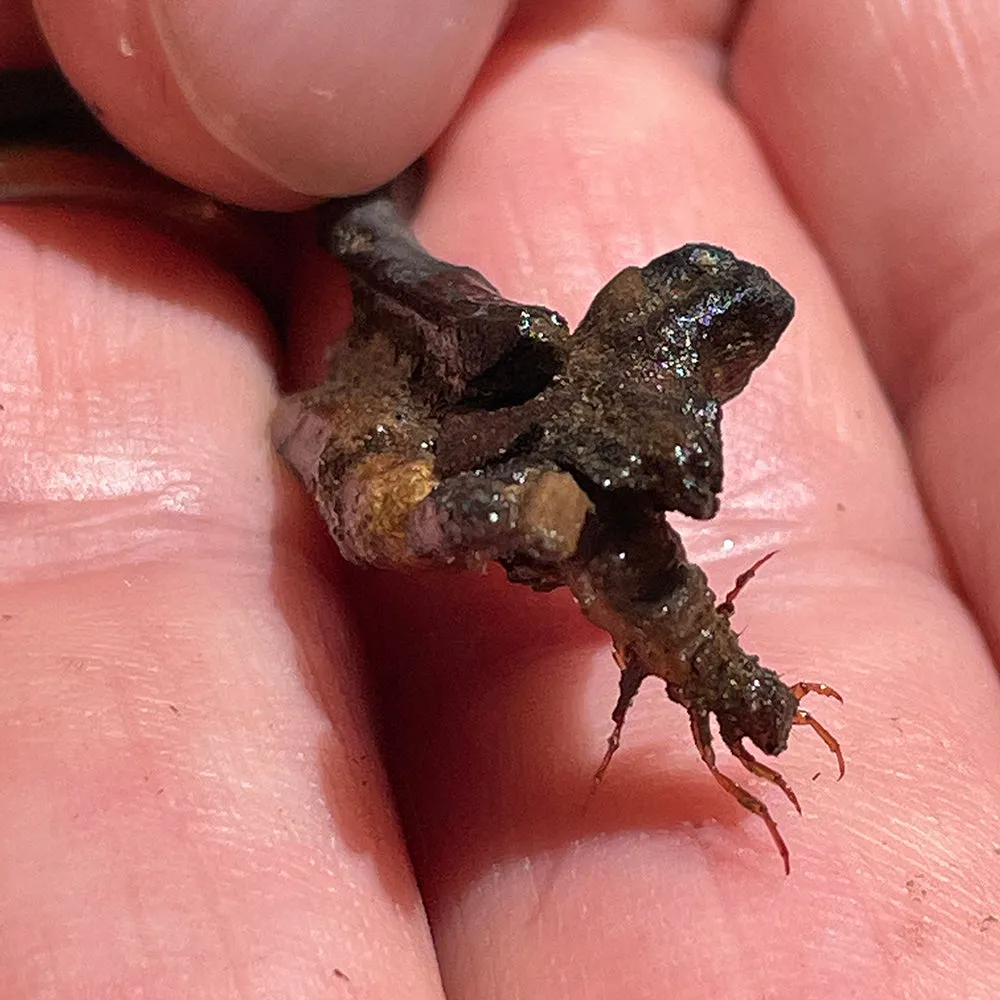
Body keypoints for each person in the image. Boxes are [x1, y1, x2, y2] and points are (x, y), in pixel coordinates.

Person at [3, 1, 998, 996]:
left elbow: (741, 300)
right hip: (387, 389)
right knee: (424, 298)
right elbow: (394, 488)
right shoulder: (450, 416)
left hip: (397, 324)